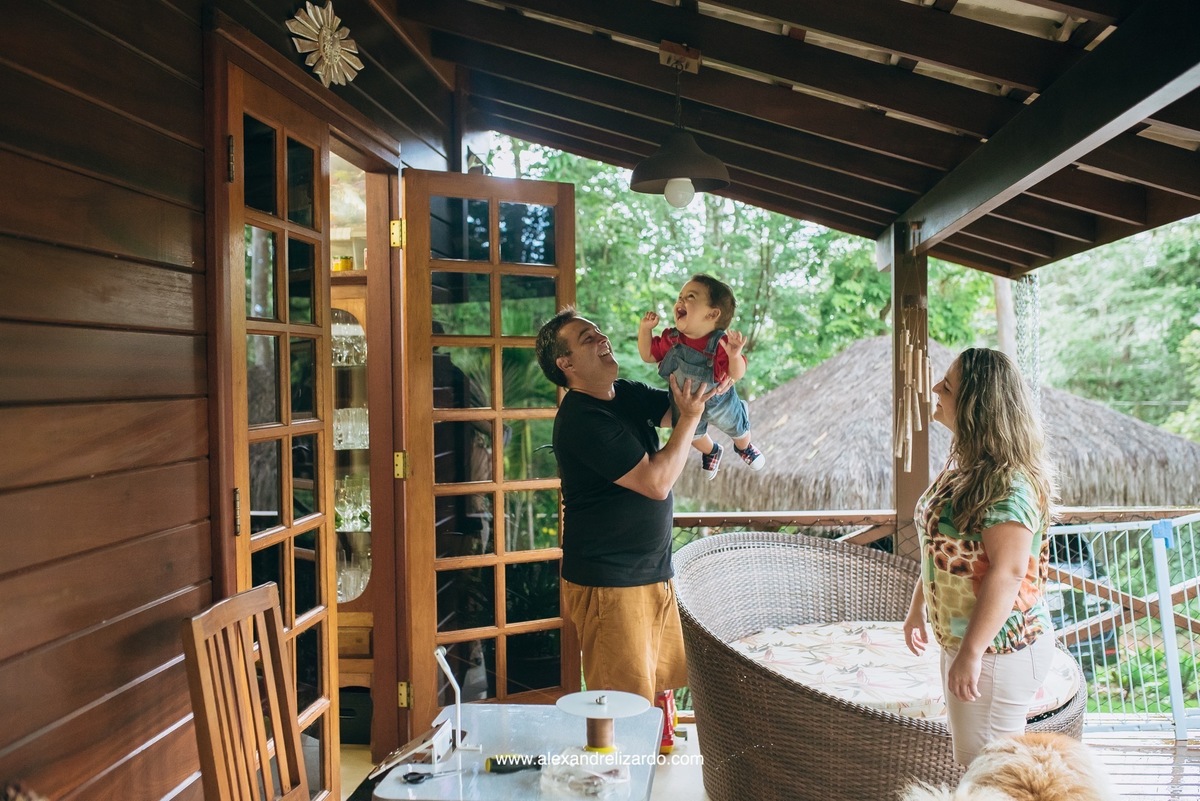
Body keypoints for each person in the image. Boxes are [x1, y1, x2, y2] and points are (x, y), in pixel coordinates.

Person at [535, 307, 728, 749]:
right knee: (620, 700)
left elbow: (680, 407)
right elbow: (656, 482)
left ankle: (650, 762)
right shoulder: (582, 419)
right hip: (610, 581)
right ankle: (613, 774)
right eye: (587, 339)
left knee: (656, 681)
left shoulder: (622, 393)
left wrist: (714, 366)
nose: (602, 339)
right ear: (565, 363)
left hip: (650, 572)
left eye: (599, 332)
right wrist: (690, 420)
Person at [903, 347, 1059, 766]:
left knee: (989, 773)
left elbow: (1008, 574)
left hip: (998, 648)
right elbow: (943, 549)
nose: (936, 387)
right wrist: (919, 607)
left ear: (976, 406)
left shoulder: (1008, 485)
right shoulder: (967, 469)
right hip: (974, 642)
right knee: (982, 769)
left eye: (948, 386)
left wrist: (971, 653)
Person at [637, 273, 764, 479]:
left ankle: (744, 447)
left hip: (719, 403)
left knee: (738, 430)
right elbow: (648, 355)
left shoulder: (720, 343)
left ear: (712, 314)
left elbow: (736, 373)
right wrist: (645, 330)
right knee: (692, 436)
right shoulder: (672, 339)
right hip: (683, 404)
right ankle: (712, 451)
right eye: (680, 296)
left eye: (690, 297)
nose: (681, 300)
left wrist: (734, 356)